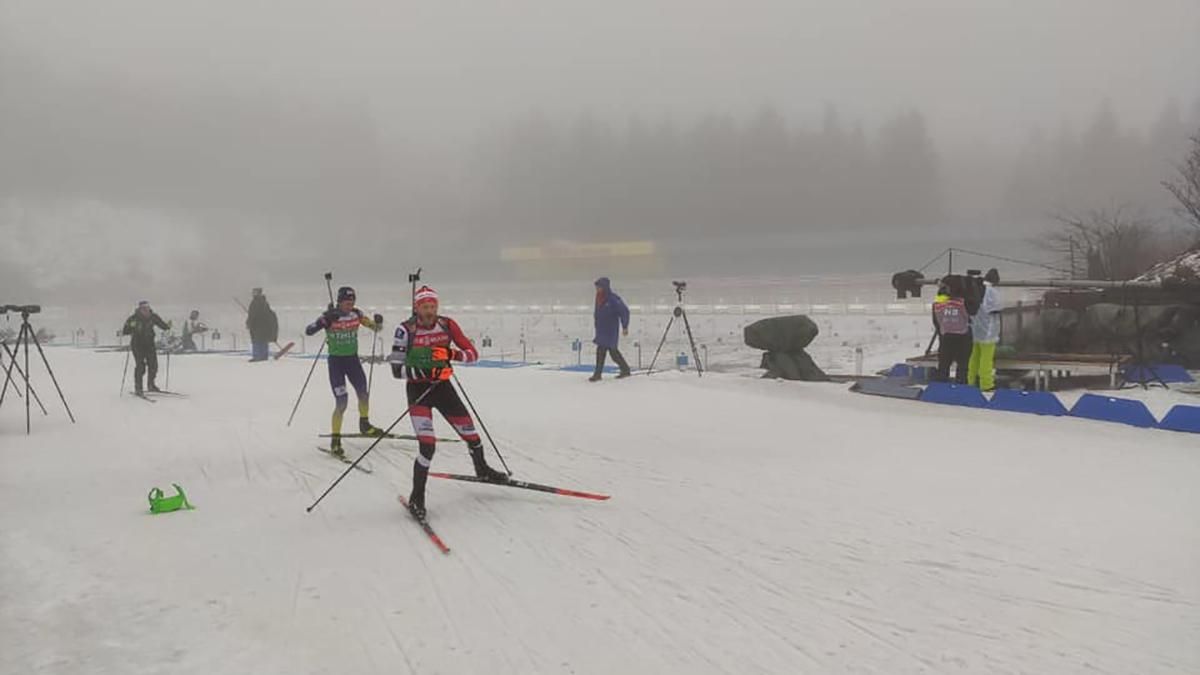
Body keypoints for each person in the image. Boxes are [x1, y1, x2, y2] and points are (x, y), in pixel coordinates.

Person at [390, 285, 507, 519]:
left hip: (443, 389)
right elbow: (396, 370)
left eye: (433, 306)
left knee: (472, 435)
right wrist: (427, 372)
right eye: (425, 306)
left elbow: (472, 355)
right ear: (417, 307)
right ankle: (417, 498)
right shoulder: (405, 330)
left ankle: (482, 469)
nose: (430, 310)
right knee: (428, 446)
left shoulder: (447, 324)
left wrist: (451, 355)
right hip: (419, 392)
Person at [305, 286, 386, 456]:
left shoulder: (356, 314)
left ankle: (365, 424)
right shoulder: (329, 316)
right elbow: (309, 330)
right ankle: (335, 440)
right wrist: (324, 321)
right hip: (336, 364)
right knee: (342, 402)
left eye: (352, 302)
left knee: (363, 393)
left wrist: (378, 322)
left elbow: (375, 328)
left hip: (352, 361)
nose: (349, 306)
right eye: (346, 303)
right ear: (339, 302)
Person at [122, 301, 170, 394]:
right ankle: (138, 387)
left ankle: (151, 385)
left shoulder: (153, 316)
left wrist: (167, 327)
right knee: (140, 366)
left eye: (147, 308)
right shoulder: (134, 318)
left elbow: (162, 325)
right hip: (137, 345)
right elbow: (125, 331)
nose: (146, 310)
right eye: (143, 308)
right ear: (140, 309)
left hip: (150, 344)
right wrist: (131, 327)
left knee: (153, 365)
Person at [590, 277, 632, 381]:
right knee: (604, 351)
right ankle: (599, 373)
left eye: (599, 287)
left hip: (610, 330)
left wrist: (625, 326)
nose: (597, 289)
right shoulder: (598, 298)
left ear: (605, 287)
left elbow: (624, 311)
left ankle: (624, 370)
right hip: (601, 330)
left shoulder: (613, 299)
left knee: (610, 352)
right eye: (596, 287)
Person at [932, 277, 972, 384]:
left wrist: (941, 328)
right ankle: (961, 382)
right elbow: (969, 315)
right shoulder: (962, 302)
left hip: (946, 334)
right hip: (962, 335)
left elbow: (936, 317)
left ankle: (941, 383)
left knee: (944, 362)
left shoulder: (939, 302)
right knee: (963, 363)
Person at [968, 268, 1002, 391]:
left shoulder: (975, 290)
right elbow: (996, 310)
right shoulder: (992, 292)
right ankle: (986, 384)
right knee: (986, 359)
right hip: (989, 331)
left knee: (974, 357)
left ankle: (970, 380)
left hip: (975, 329)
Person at [245, 288, 278, 362]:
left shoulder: (255, 302)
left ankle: (257, 356)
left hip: (257, 326)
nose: (253, 293)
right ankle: (263, 356)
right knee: (263, 340)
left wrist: (249, 322)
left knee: (257, 341)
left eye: (255, 292)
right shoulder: (264, 302)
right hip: (264, 326)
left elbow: (253, 315)